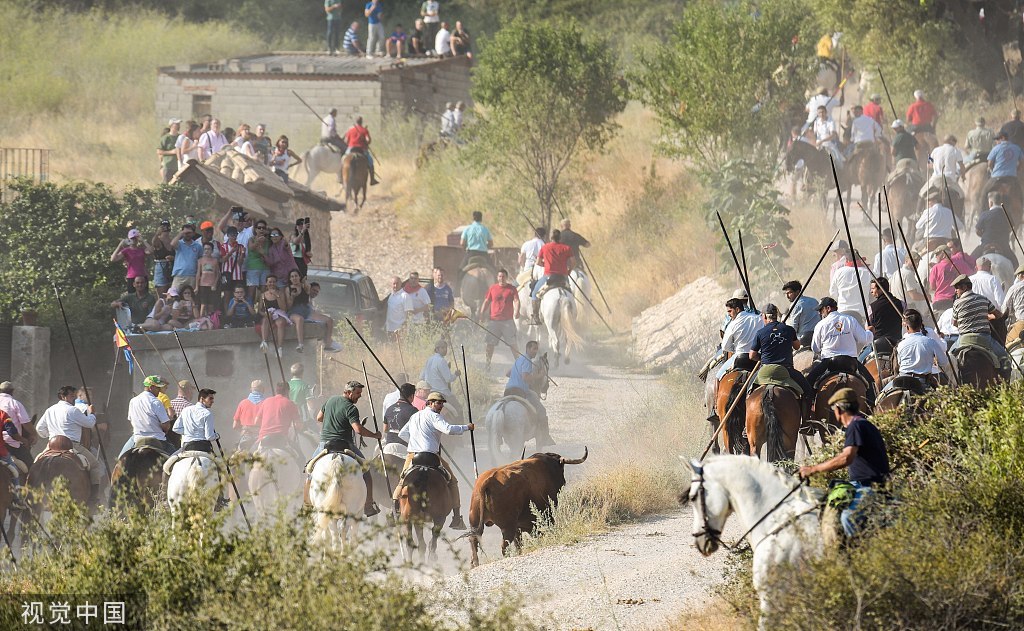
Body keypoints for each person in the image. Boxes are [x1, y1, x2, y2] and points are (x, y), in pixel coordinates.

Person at [799, 387, 890, 537]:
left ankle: (857, 555)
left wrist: (813, 469)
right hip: (861, 484)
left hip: (869, 486)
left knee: (848, 518)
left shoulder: (856, 426)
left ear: (839, 410)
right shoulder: (863, 424)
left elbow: (846, 457)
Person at [394, 391, 471, 529]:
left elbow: (402, 434)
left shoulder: (414, 416)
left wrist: (415, 442)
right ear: (429, 403)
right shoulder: (435, 416)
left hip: (413, 455)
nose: (440, 405)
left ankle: (395, 512)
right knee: (453, 481)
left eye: (442, 403)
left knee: (401, 481)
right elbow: (448, 429)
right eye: (438, 402)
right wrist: (467, 427)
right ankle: (456, 517)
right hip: (431, 456)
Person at [313, 381, 381, 516]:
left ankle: (307, 503)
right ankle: (368, 504)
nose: (359, 396)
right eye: (357, 394)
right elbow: (358, 429)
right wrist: (375, 435)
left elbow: (319, 417)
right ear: (349, 392)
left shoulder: (330, 400)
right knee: (366, 471)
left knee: (310, 469)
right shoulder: (351, 408)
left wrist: (332, 421)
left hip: (324, 444)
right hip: (345, 445)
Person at [36, 386, 106, 503]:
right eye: (71, 396)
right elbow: (89, 424)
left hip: (52, 444)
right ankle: (93, 498)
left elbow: (39, 428)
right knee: (95, 465)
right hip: (71, 445)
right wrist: (92, 413)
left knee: (36, 463)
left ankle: (31, 495)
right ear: (62, 396)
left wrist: (50, 435)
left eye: (74, 396)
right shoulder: (73, 410)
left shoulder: (50, 410)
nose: (73, 398)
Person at [806, 297, 876, 404]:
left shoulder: (821, 325)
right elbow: (865, 340)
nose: (820, 313)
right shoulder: (850, 320)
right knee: (871, 383)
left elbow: (815, 348)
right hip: (851, 363)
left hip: (829, 363)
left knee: (808, 381)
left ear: (828, 308)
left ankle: (808, 412)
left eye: (821, 310)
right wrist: (870, 332)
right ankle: (872, 411)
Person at [748, 304, 814, 415]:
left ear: (764, 316)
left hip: (765, 369)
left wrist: (763, 357)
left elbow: (752, 356)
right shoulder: (789, 330)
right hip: (786, 369)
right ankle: (806, 422)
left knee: (748, 392)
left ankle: (746, 425)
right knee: (808, 391)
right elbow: (797, 346)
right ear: (776, 316)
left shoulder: (760, 332)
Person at [950, 274, 1011, 377]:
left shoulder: (957, 303)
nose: (955, 291)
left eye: (957, 288)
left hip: (964, 339)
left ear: (964, 287)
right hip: (984, 339)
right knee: (1005, 360)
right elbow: (998, 315)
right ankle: (1006, 386)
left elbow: (954, 323)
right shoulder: (983, 299)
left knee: (947, 360)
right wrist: (985, 317)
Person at [885, 310, 950, 395]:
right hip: (922, 382)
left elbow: (899, 363)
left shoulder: (901, 344)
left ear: (907, 327)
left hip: (901, 379)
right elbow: (944, 362)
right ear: (920, 325)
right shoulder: (930, 342)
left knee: (880, 398)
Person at [504, 340, 553, 446]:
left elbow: (507, 373)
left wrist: (517, 377)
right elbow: (525, 377)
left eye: (537, 349)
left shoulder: (518, 360)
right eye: (534, 348)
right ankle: (545, 437)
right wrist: (539, 376)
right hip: (520, 391)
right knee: (541, 410)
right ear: (528, 349)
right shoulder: (527, 361)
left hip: (507, 391)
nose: (535, 351)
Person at [119, 376, 173, 459]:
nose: (159, 391)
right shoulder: (156, 402)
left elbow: (131, 421)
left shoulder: (133, 401)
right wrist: (162, 428)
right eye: (157, 388)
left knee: (120, 459)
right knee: (177, 459)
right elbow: (166, 425)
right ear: (151, 387)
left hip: (137, 438)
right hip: (157, 439)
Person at [530, 229, 575, 324]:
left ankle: (535, 318)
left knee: (534, 294)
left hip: (548, 277)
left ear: (550, 238)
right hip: (563, 276)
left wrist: (545, 265)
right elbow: (573, 262)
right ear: (560, 238)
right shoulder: (566, 248)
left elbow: (538, 262)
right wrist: (569, 271)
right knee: (570, 292)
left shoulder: (545, 247)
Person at [256, 382, 306, 466]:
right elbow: (298, 426)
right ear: (288, 391)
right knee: (301, 459)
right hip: (281, 439)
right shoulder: (290, 404)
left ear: (276, 391)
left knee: (248, 459)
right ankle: (301, 478)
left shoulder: (266, 401)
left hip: (263, 440)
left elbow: (256, 421)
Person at [480, 269, 521, 367]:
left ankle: (519, 364)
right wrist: (481, 313)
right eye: (499, 276)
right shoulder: (492, 288)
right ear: (497, 277)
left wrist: (517, 311)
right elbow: (487, 301)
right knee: (490, 344)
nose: (501, 278)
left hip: (508, 321)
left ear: (506, 277)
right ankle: (487, 364)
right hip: (494, 321)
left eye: (503, 276)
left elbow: (516, 300)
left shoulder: (512, 289)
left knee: (513, 344)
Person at [929, 240, 975, 310]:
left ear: (943, 254)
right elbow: (971, 275)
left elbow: (932, 287)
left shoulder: (935, 268)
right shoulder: (960, 264)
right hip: (955, 300)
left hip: (939, 300)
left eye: (937, 254)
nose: (936, 257)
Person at [0, 382, 36, 471]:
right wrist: (32, 436)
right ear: (12, 391)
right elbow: (24, 424)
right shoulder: (14, 404)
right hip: (10, 444)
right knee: (32, 469)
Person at [974, 192, 1017, 264]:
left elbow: (977, 230)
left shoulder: (985, 214)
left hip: (986, 243)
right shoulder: (1007, 214)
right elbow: (1011, 227)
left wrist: (984, 235)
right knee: (1016, 264)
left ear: (990, 202)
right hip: (1003, 245)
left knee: (970, 261)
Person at [829, 251, 872, 324]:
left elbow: (832, 293)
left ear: (846, 260)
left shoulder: (839, 272)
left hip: (843, 311)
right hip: (861, 313)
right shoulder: (867, 272)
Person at [420, 340, 461, 417]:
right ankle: (463, 427)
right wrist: (456, 374)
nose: (445, 350)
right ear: (437, 349)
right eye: (442, 348)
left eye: (445, 348)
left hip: (430, 393)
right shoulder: (441, 361)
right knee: (458, 409)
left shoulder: (429, 359)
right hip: (442, 393)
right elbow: (448, 379)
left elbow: (421, 376)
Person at [174, 389, 219, 453]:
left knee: (170, 460)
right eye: (210, 399)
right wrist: (217, 435)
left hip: (187, 446)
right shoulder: (207, 413)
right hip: (203, 447)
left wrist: (189, 432)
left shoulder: (186, 410)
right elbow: (209, 437)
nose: (213, 401)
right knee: (219, 462)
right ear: (202, 399)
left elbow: (176, 428)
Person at [866, 278, 904, 348]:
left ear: (880, 289)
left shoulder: (872, 307)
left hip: (878, 345)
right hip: (896, 343)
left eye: (873, 289)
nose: (871, 291)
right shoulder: (902, 304)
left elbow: (867, 327)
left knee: (860, 358)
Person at [258, 275, 290, 357]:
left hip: (279, 314)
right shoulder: (263, 295)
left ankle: (279, 348)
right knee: (265, 320)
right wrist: (265, 314)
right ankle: (264, 342)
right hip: (268, 314)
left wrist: (277, 295)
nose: (272, 283)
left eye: (273, 282)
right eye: (270, 282)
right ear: (266, 283)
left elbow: (283, 308)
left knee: (280, 323)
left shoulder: (280, 293)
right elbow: (259, 310)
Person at [305, 282, 343, 352]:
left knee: (326, 321)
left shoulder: (311, 299)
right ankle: (328, 344)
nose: (315, 293)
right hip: (306, 316)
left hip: (310, 316)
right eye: (314, 290)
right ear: (309, 289)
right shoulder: (306, 297)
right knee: (329, 320)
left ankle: (329, 341)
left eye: (317, 292)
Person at [782, 280, 820, 346]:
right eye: (786, 293)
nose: (787, 296)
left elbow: (793, 328)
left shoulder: (795, 305)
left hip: (804, 339)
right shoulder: (814, 301)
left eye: (790, 293)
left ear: (798, 292)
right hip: (818, 335)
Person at [459, 211, 494, 282]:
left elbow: (462, 243)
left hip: (471, 253)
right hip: (484, 254)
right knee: (495, 271)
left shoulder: (467, 228)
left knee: (460, 271)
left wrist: (465, 247)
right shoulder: (485, 229)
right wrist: (485, 246)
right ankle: (498, 290)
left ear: (473, 218)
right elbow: (491, 243)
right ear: (481, 219)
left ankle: (457, 292)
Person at [383, 383, 417, 454]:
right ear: (412, 396)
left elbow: (385, 429)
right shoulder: (413, 410)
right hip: (404, 448)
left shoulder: (389, 409)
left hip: (388, 446)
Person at [344, 115, 378, 185]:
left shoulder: (350, 130)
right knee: (370, 161)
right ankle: (372, 179)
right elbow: (368, 140)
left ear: (356, 122)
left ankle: (342, 177)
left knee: (343, 159)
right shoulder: (364, 130)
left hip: (351, 149)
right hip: (361, 149)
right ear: (361, 122)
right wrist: (366, 143)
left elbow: (346, 141)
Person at [219, 226, 247, 312]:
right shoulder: (223, 246)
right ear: (227, 235)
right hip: (227, 273)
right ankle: (227, 315)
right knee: (227, 295)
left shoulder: (241, 247)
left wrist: (242, 254)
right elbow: (222, 260)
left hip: (238, 275)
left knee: (238, 296)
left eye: (235, 234)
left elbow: (240, 263)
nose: (233, 237)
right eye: (232, 235)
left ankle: (237, 314)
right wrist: (231, 252)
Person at [170, 224, 204, 291]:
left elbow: (200, 260)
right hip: (179, 275)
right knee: (174, 296)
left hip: (192, 276)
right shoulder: (179, 243)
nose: (187, 234)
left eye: (189, 233)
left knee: (190, 298)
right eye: (185, 233)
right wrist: (181, 233)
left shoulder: (198, 246)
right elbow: (172, 244)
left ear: (193, 233)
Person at [234, 380, 264, 453]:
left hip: (246, 435)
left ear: (251, 389)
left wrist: (242, 431)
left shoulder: (242, 403)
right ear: (263, 389)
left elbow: (234, 426)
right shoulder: (267, 403)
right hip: (261, 437)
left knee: (235, 460)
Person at [245, 219, 270, 300]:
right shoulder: (251, 239)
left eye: (263, 228)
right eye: (259, 228)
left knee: (264, 293)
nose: (261, 229)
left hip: (265, 268)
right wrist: (257, 241)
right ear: (255, 229)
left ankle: (261, 310)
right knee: (251, 292)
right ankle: (250, 310)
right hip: (252, 268)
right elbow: (251, 247)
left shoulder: (268, 242)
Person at [195, 242, 219, 318]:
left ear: (212, 250)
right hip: (202, 285)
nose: (206, 251)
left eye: (208, 249)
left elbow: (217, 274)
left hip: (211, 285)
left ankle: (211, 320)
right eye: (205, 249)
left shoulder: (215, 261)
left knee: (211, 305)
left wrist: (215, 284)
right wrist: (196, 286)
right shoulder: (200, 260)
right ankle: (201, 320)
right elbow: (198, 274)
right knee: (203, 304)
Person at [151, 220, 175, 296]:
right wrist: (158, 232)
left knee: (172, 294)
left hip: (172, 267)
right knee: (162, 296)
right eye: (163, 227)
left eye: (167, 226)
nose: (166, 229)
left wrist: (173, 258)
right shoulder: (158, 240)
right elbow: (154, 243)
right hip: (161, 266)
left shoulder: (172, 240)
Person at [1001, 263, 1024, 336]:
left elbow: (1004, 309)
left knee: (1006, 345)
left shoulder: (1014, 288)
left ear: (1021, 275)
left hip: (1022, 323)